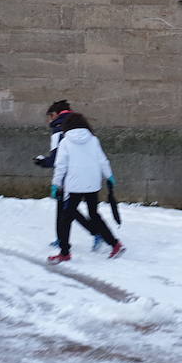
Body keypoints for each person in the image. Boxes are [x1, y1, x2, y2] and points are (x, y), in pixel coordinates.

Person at [48, 112, 124, 263]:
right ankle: (115, 244)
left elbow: (61, 166)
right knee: (94, 215)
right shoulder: (93, 140)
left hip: (74, 185)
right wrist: (109, 176)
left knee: (65, 218)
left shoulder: (65, 142)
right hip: (92, 183)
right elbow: (102, 160)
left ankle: (64, 253)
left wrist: (56, 184)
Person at [35, 100, 102, 251]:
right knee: (67, 209)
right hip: (88, 174)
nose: (48, 121)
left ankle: (96, 233)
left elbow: (56, 159)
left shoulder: (58, 129)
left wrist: (42, 162)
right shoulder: (79, 125)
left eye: (49, 117)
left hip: (68, 176)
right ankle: (63, 238)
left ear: (55, 114)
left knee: (67, 209)